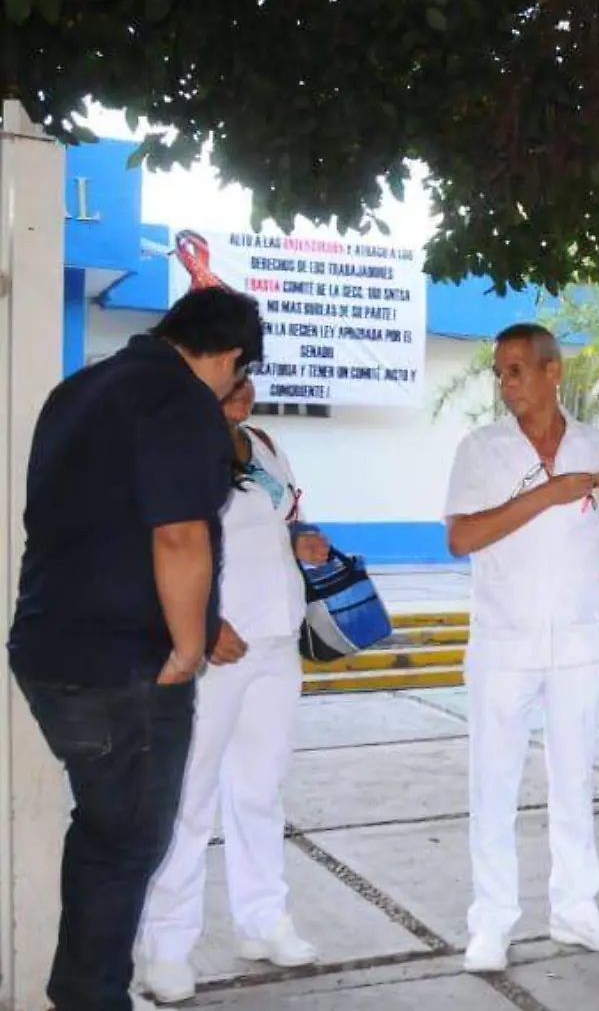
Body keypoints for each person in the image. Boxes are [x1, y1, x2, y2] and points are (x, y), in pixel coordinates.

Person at [8, 285, 263, 1011]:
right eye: (238, 375)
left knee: (104, 830)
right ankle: (91, 995)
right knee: (127, 843)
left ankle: (80, 987)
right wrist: (188, 646)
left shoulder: (81, 387)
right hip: (126, 663)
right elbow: (179, 534)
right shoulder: (179, 400)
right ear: (230, 356)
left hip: (50, 646)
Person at [443, 323, 599, 973]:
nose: (506, 384)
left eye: (516, 370)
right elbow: (461, 538)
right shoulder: (481, 449)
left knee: (575, 778)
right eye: (499, 373)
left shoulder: (594, 444)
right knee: (495, 782)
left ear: (552, 372)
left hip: (581, 638)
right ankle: (493, 922)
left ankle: (576, 909)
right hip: (505, 640)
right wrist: (547, 495)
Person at [137, 378, 334, 1003]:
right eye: (232, 379)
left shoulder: (266, 444)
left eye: (249, 379)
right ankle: (165, 948)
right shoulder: (175, 451)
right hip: (212, 650)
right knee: (189, 797)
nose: (244, 391)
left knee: (259, 790)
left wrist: (303, 538)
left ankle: (263, 920)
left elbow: (285, 519)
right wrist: (198, 622)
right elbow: (157, 545)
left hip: (276, 641)